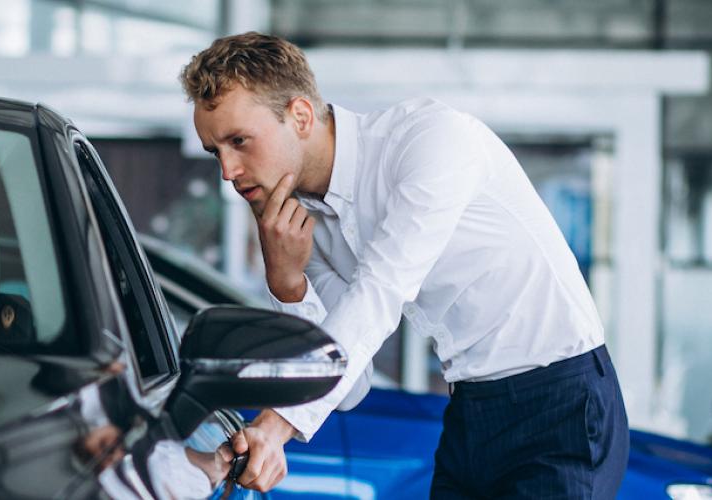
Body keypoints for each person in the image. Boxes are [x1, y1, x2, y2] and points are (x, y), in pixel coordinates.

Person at [178, 32, 629, 498]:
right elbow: (350, 385)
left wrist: (276, 427)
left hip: (560, 403)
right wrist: (288, 282)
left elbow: (380, 292)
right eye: (216, 151)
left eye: (239, 141)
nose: (227, 171)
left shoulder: (430, 140)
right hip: (470, 409)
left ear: (300, 115)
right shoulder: (302, 224)